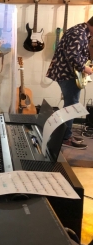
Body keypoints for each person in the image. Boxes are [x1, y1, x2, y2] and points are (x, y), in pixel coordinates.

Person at [46, 18, 93, 150]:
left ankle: (65, 134)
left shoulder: (80, 30)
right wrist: (85, 68)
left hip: (67, 73)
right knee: (71, 106)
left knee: (70, 105)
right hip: (67, 74)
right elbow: (72, 55)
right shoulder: (79, 33)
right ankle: (65, 138)